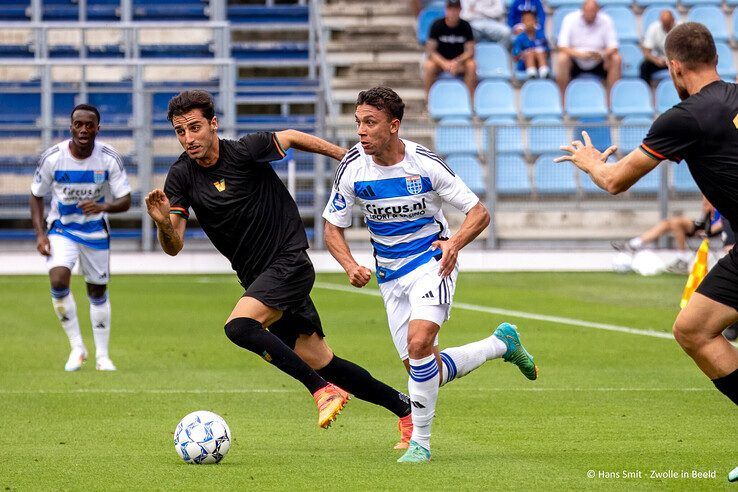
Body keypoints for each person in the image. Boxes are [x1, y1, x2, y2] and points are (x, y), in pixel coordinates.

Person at [144, 90, 415, 444]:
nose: (189, 138)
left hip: (289, 262)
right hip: (260, 279)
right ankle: (406, 411)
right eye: (180, 132)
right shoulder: (181, 175)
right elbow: (174, 246)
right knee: (324, 360)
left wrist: (346, 158)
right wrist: (164, 223)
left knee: (239, 327)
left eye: (195, 128)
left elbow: (290, 136)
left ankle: (321, 392)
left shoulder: (244, 150)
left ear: (213, 124)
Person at [555, 23, 738, 481]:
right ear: (714, 57)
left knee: (695, 332)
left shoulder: (685, 116)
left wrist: (590, 161)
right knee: (693, 328)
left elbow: (616, 180)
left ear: (674, 66)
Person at [323, 86, 538, 463]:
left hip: (431, 262)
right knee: (427, 372)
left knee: (420, 342)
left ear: (393, 126)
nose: (361, 131)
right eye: (358, 122)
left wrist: (453, 243)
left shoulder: (424, 164)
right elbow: (331, 227)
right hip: (390, 276)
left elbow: (479, 212)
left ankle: (420, 442)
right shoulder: (353, 168)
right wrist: (350, 265)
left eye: (369, 123)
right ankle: (500, 345)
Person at [30, 104, 131, 372]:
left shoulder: (109, 158)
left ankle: (102, 356)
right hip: (62, 229)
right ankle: (77, 347)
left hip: (96, 231)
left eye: (89, 124)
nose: (84, 129)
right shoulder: (53, 157)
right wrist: (41, 234)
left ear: (98, 128)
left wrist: (103, 207)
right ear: (71, 127)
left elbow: (126, 200)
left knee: (96, 290)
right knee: (58, 279)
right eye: (79, 124)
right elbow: (36, 193)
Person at [611, 196, 719, 273]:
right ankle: (633, 244)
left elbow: (724, 222)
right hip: (704, 223)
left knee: (676, 223)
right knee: (666, 223)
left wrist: (708, 231)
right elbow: (706, 210)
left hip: (711, 227)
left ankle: (683, 259)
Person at [556, 0, 621, 103]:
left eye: (593, 12)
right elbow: (562, 46)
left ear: (598, 11)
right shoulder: (570, 19)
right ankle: (561, 101)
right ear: (582, 10)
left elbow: (613, 46)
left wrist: (602, 55)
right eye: (588, 11)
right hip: (576, 60)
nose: (590, 15)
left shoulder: (606, 20)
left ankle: (612, 101)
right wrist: (580, 55)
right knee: (562, 58)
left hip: (599, 60)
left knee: (616, 58)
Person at [424, 0, 477, 99]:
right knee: (429, 66)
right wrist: (444, 63)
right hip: (440, 62)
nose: (452, 12)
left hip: (459, 63)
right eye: (450, 9)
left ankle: (469, 99)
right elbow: (430, 51)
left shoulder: (465, 26)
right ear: (446, 10)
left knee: (472, 65)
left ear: (460, 10)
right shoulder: (437, 25)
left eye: (455, 9)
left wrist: (457, 61)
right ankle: (428, 99)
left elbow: (470, 51)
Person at [640, 9, 676, 84]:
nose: (666, 28)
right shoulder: (653, 28)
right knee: (644, 66)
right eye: (664, 25)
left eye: (668, 25)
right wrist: (656, 61)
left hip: (675, 61)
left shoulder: (680, 28)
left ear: (673, 20)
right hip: (659, 61)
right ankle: (646, 91)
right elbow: (646, 52)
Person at [512, 10, 550, 79]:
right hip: (524, 64)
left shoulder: (541, 35)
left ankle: (544, 73)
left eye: (531, 20)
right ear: (523, 23)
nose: (529, 23)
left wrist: (539, 52)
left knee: (540, 52)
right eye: (526, 21)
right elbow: (516, 54)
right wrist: (525, 53)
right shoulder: (520, 38)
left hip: (539, 60)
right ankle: (531, 74)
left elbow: (547, 50)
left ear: (535, 21)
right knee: (530, 54)